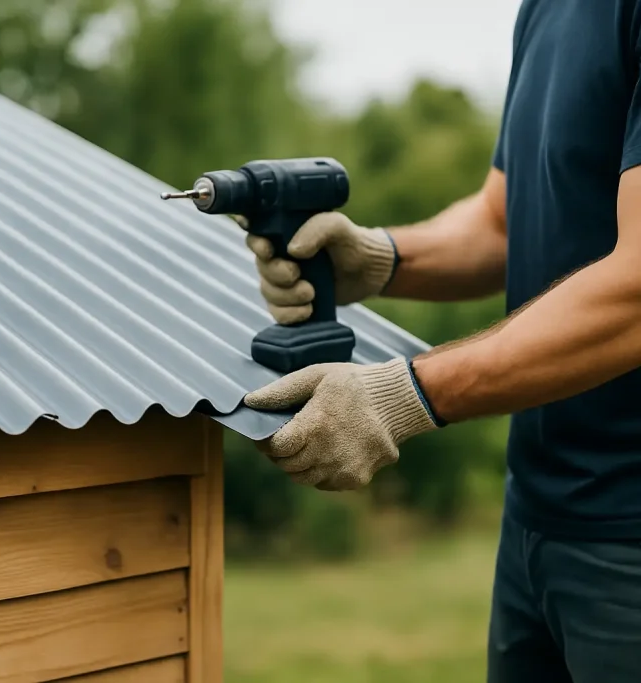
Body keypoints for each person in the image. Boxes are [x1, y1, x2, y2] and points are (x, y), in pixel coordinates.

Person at [241, 0, 641, 681]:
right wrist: (377, 257)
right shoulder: (547, 8)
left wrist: (403, 394)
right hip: (535, 521)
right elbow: (500, 221)